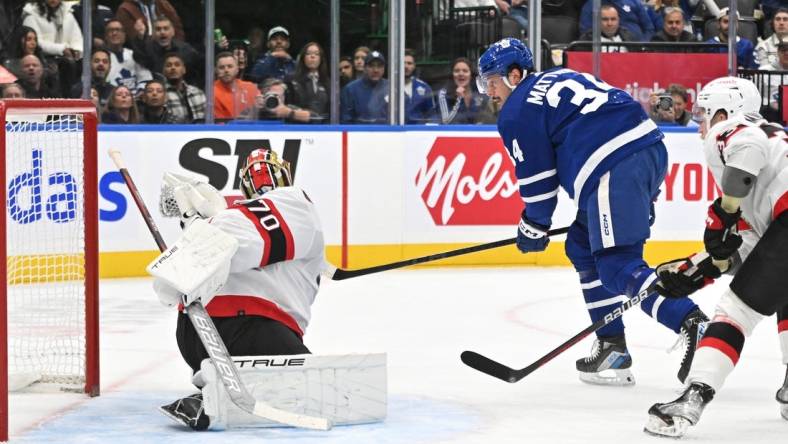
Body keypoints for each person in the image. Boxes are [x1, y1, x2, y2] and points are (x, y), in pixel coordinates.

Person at [477, 37, 708, 386]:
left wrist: (534, 225)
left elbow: (539, 179)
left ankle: (692, 321)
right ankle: (612, 346)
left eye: (492, 81)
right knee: (582, 246)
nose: (489, 92)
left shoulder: (517, 109)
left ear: (513, 75)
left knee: (618, 265)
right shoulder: (558, 76)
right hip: (646, 152)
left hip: (611, 165)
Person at [644, 76, 788, 438]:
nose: (701, 126)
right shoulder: (776, 151)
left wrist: (725, 211)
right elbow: (755, 252)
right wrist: (699, 269)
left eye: (705, 115)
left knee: (735, 312)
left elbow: (748, 145)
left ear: (725, 111)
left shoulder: (737, 131)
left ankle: (692, 398)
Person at [153, 148, 326, 430]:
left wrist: (195, 226)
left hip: (194, 334)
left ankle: (213, 385)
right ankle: (233, 385)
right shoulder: (295, 202)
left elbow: (200, 257)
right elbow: (232, 241)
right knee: (315, 390)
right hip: (253, 329)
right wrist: (202, 231)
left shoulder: (226, 215)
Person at [132, 16, 201, 85]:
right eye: (158, 29)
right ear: (153, 33)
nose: (162, 32)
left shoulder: (185, 50)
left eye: (166, 28)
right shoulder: (148, 49)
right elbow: (139, 57)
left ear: (173, 32)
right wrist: (140, 37)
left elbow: (196, 71)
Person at [104, 19, 152, 94]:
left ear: (124, 35)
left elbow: (145, 78)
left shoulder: (134, 54)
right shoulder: (101, 58)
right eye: (110, 30)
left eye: (118, 30)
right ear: (106, 36)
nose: (114, 33)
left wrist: (140, 93)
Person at [340, 50, 389, 124]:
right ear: (365, 68)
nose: (375, 70)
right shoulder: (350, 89)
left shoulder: (392, 88)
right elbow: (346, 120)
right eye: (371, 66)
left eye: (379, 66)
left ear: (384, 68)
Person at [437, 57, 488, 124]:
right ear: (452, 75)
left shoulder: (480, 93)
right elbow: (446, 121)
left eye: (465, 71)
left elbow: (486, 120)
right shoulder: (444, 94)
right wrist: (459, 99)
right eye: (457, 71)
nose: (461, 74)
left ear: (471, 75)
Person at [288, 42, 329, 123]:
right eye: (308, 53)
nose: (312, 56)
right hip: (299, 127)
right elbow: (287, 105)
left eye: (316, 54)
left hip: (323, 128)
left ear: (321, 59)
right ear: (303, 57)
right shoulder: (292, 79)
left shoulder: (327, 82)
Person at [213, 51, 260, 121]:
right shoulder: (212, 92)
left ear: (237, 69)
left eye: (230, 66)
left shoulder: (251, 87)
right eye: (221, 67)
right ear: (216, 70)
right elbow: (220, 126)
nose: (226, 70)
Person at [580, 0, 655, 41]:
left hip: (634, 47)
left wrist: (641, 45)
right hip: (602, 48)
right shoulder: (592, 4)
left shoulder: (634, 2)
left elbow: (649, 28)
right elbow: (585, 30)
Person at [163, 52, 206, 123]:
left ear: (184, 70)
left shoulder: (198, 92)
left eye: (177, 65)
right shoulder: (161, 94)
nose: (173, 68)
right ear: (164, 71)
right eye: (169, 65)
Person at [115, 0, 185, 42]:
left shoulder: (163, 4)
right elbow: (131, 40)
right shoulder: (125, 9)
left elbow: (178, 29)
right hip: (143, 54)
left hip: (169, 48)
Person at [404, 48, 435, 124]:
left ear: (414, 66)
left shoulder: (424, 88)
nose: (406, 66)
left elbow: (432, 115)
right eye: (403, 63)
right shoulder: (389, 87)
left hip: (418, 132)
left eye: (409, 63)